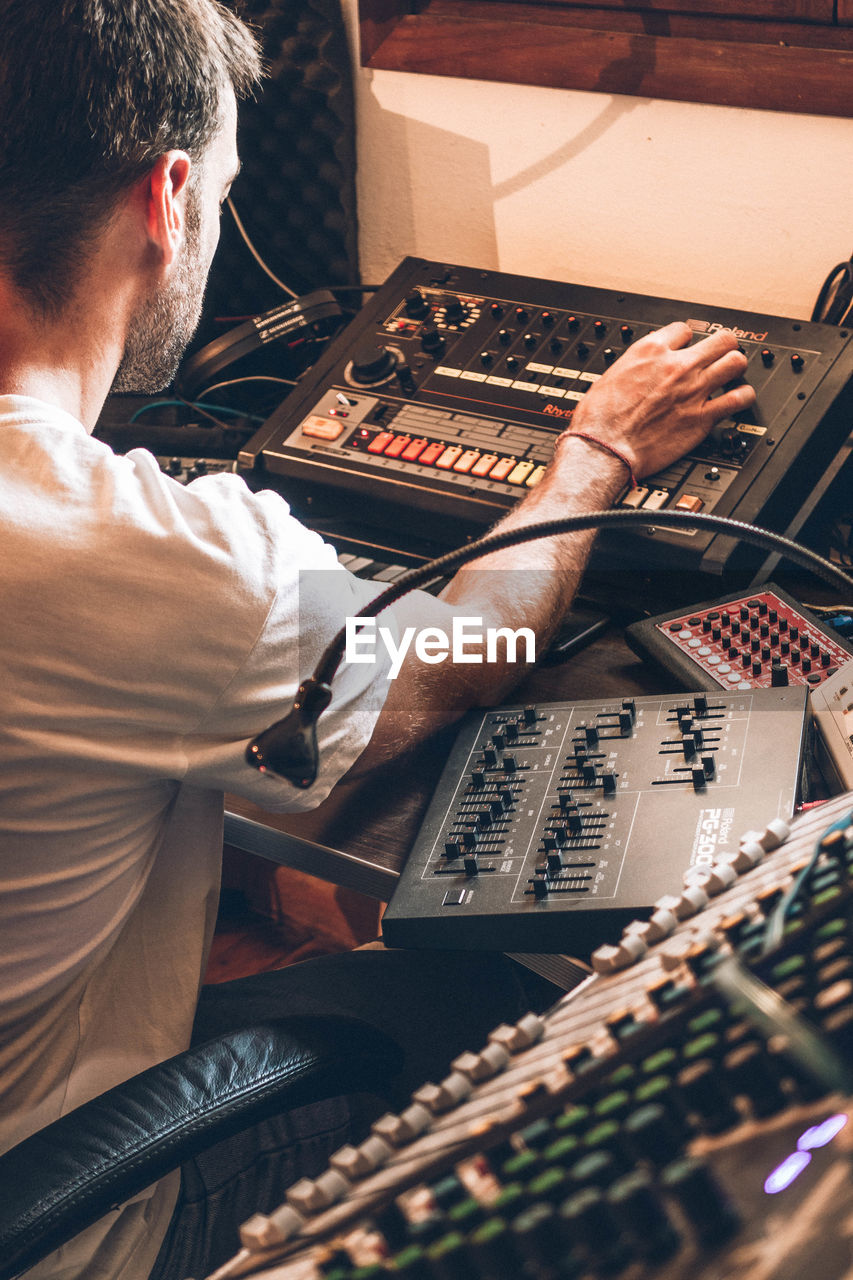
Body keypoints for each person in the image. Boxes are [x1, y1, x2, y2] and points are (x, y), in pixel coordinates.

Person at [0, 2, 756, 1277]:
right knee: (524, 1011)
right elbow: (452, 658)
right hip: (77, 1218)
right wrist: (599, 452)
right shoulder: (138, 553)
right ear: (168, 199)